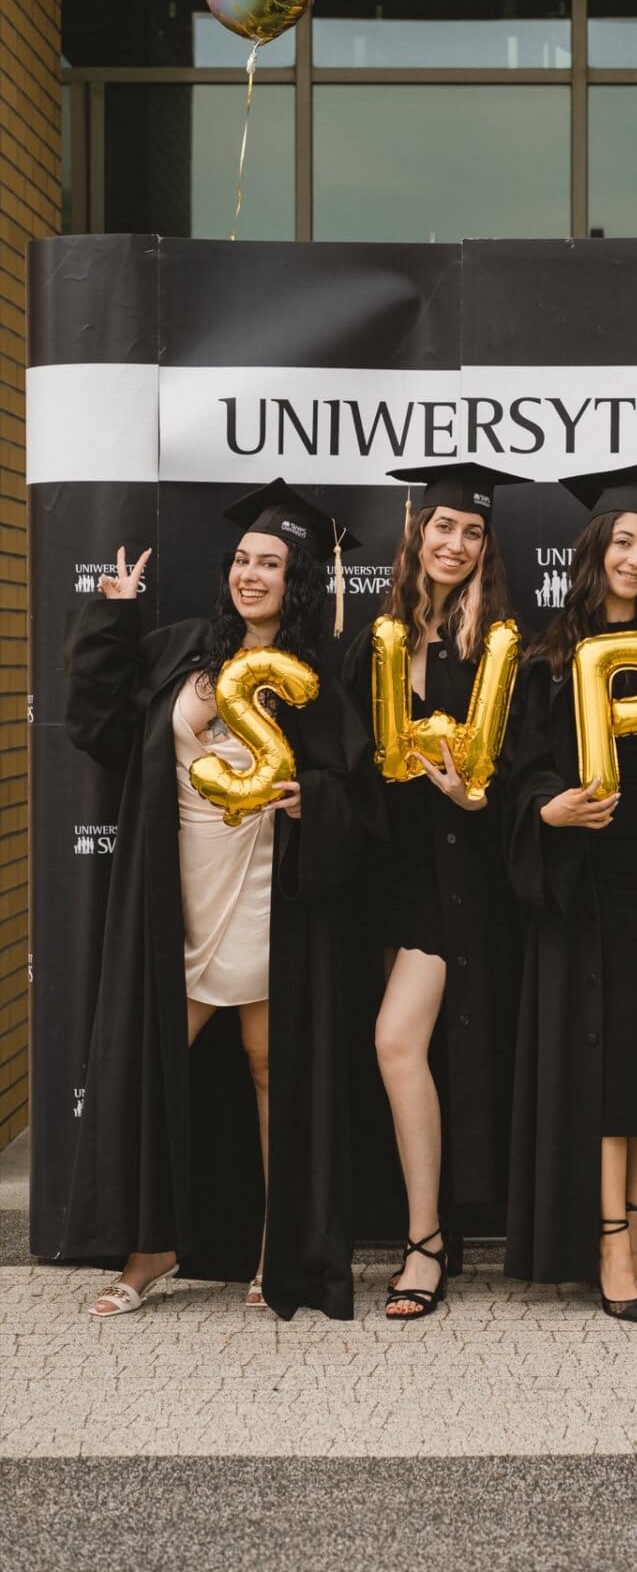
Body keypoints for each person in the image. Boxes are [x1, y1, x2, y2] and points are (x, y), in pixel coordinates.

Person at [63, 479, 378, 1321]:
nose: (251, 574)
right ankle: (148, 1247)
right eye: (242, 559)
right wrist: (111, 619)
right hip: (181, 891)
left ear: (297, 578)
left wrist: (314, 798)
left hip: (270, 896)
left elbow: (360, 791)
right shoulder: (182, 650)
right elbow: (98, 729)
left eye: (270, 563)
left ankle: (281, 1251)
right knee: (152, 1062)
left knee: (274, 1069)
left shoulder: (314, 676)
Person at [502, 462, 637, 1325]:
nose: (636, 558)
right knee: (609, 1061)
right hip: (595, 881)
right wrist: (548, 806)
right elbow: (520, 768)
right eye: (623, 542)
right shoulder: (551, 654)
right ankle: (609, 1237)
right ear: (595, 549)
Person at [342, 462, 525, 1321]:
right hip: (378, 874)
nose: (455, 544)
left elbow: (524, 775)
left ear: (488, 548)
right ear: (416, 532)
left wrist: (478, 797)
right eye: (443, 527)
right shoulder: (376, 639)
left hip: (455, 880)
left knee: (396, 1043)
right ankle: (404, 1221)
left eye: (473, 532)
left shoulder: (497, 649)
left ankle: (427, 1243)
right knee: (384, 1053)